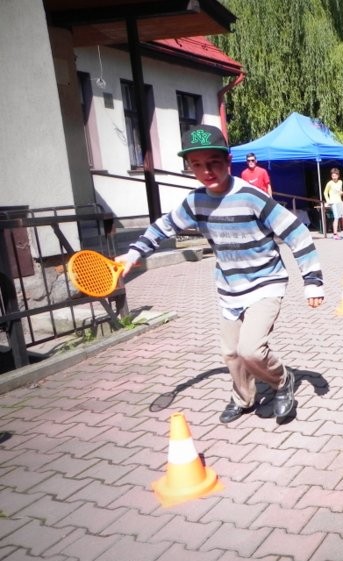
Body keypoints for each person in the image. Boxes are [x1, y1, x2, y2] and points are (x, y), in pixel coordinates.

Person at [120, 124, 324, 424]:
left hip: (265, 282)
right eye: (197, 165)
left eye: (213, 162)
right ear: (190, 167)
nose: (206, 171)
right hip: (229, 288)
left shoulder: (251, 196)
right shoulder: (195, 201)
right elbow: (164, 227)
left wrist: (312, 281)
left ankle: (282, 381)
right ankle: (244, 398)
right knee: (231, 353)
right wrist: (134, 253)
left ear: (228, 161)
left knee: (250, 349)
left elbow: (297, 233)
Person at [323, 168, 343, 239]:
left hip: (339, 202)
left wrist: (342, 193)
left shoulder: (340, 182)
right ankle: (335, 234)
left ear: (338, 175)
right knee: (336, 217)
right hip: (333, 202)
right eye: (332, 176)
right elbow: (325, 192)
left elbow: (340, 191)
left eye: (335, 175)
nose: (334, 177)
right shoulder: (329, 183)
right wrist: (328, 200)